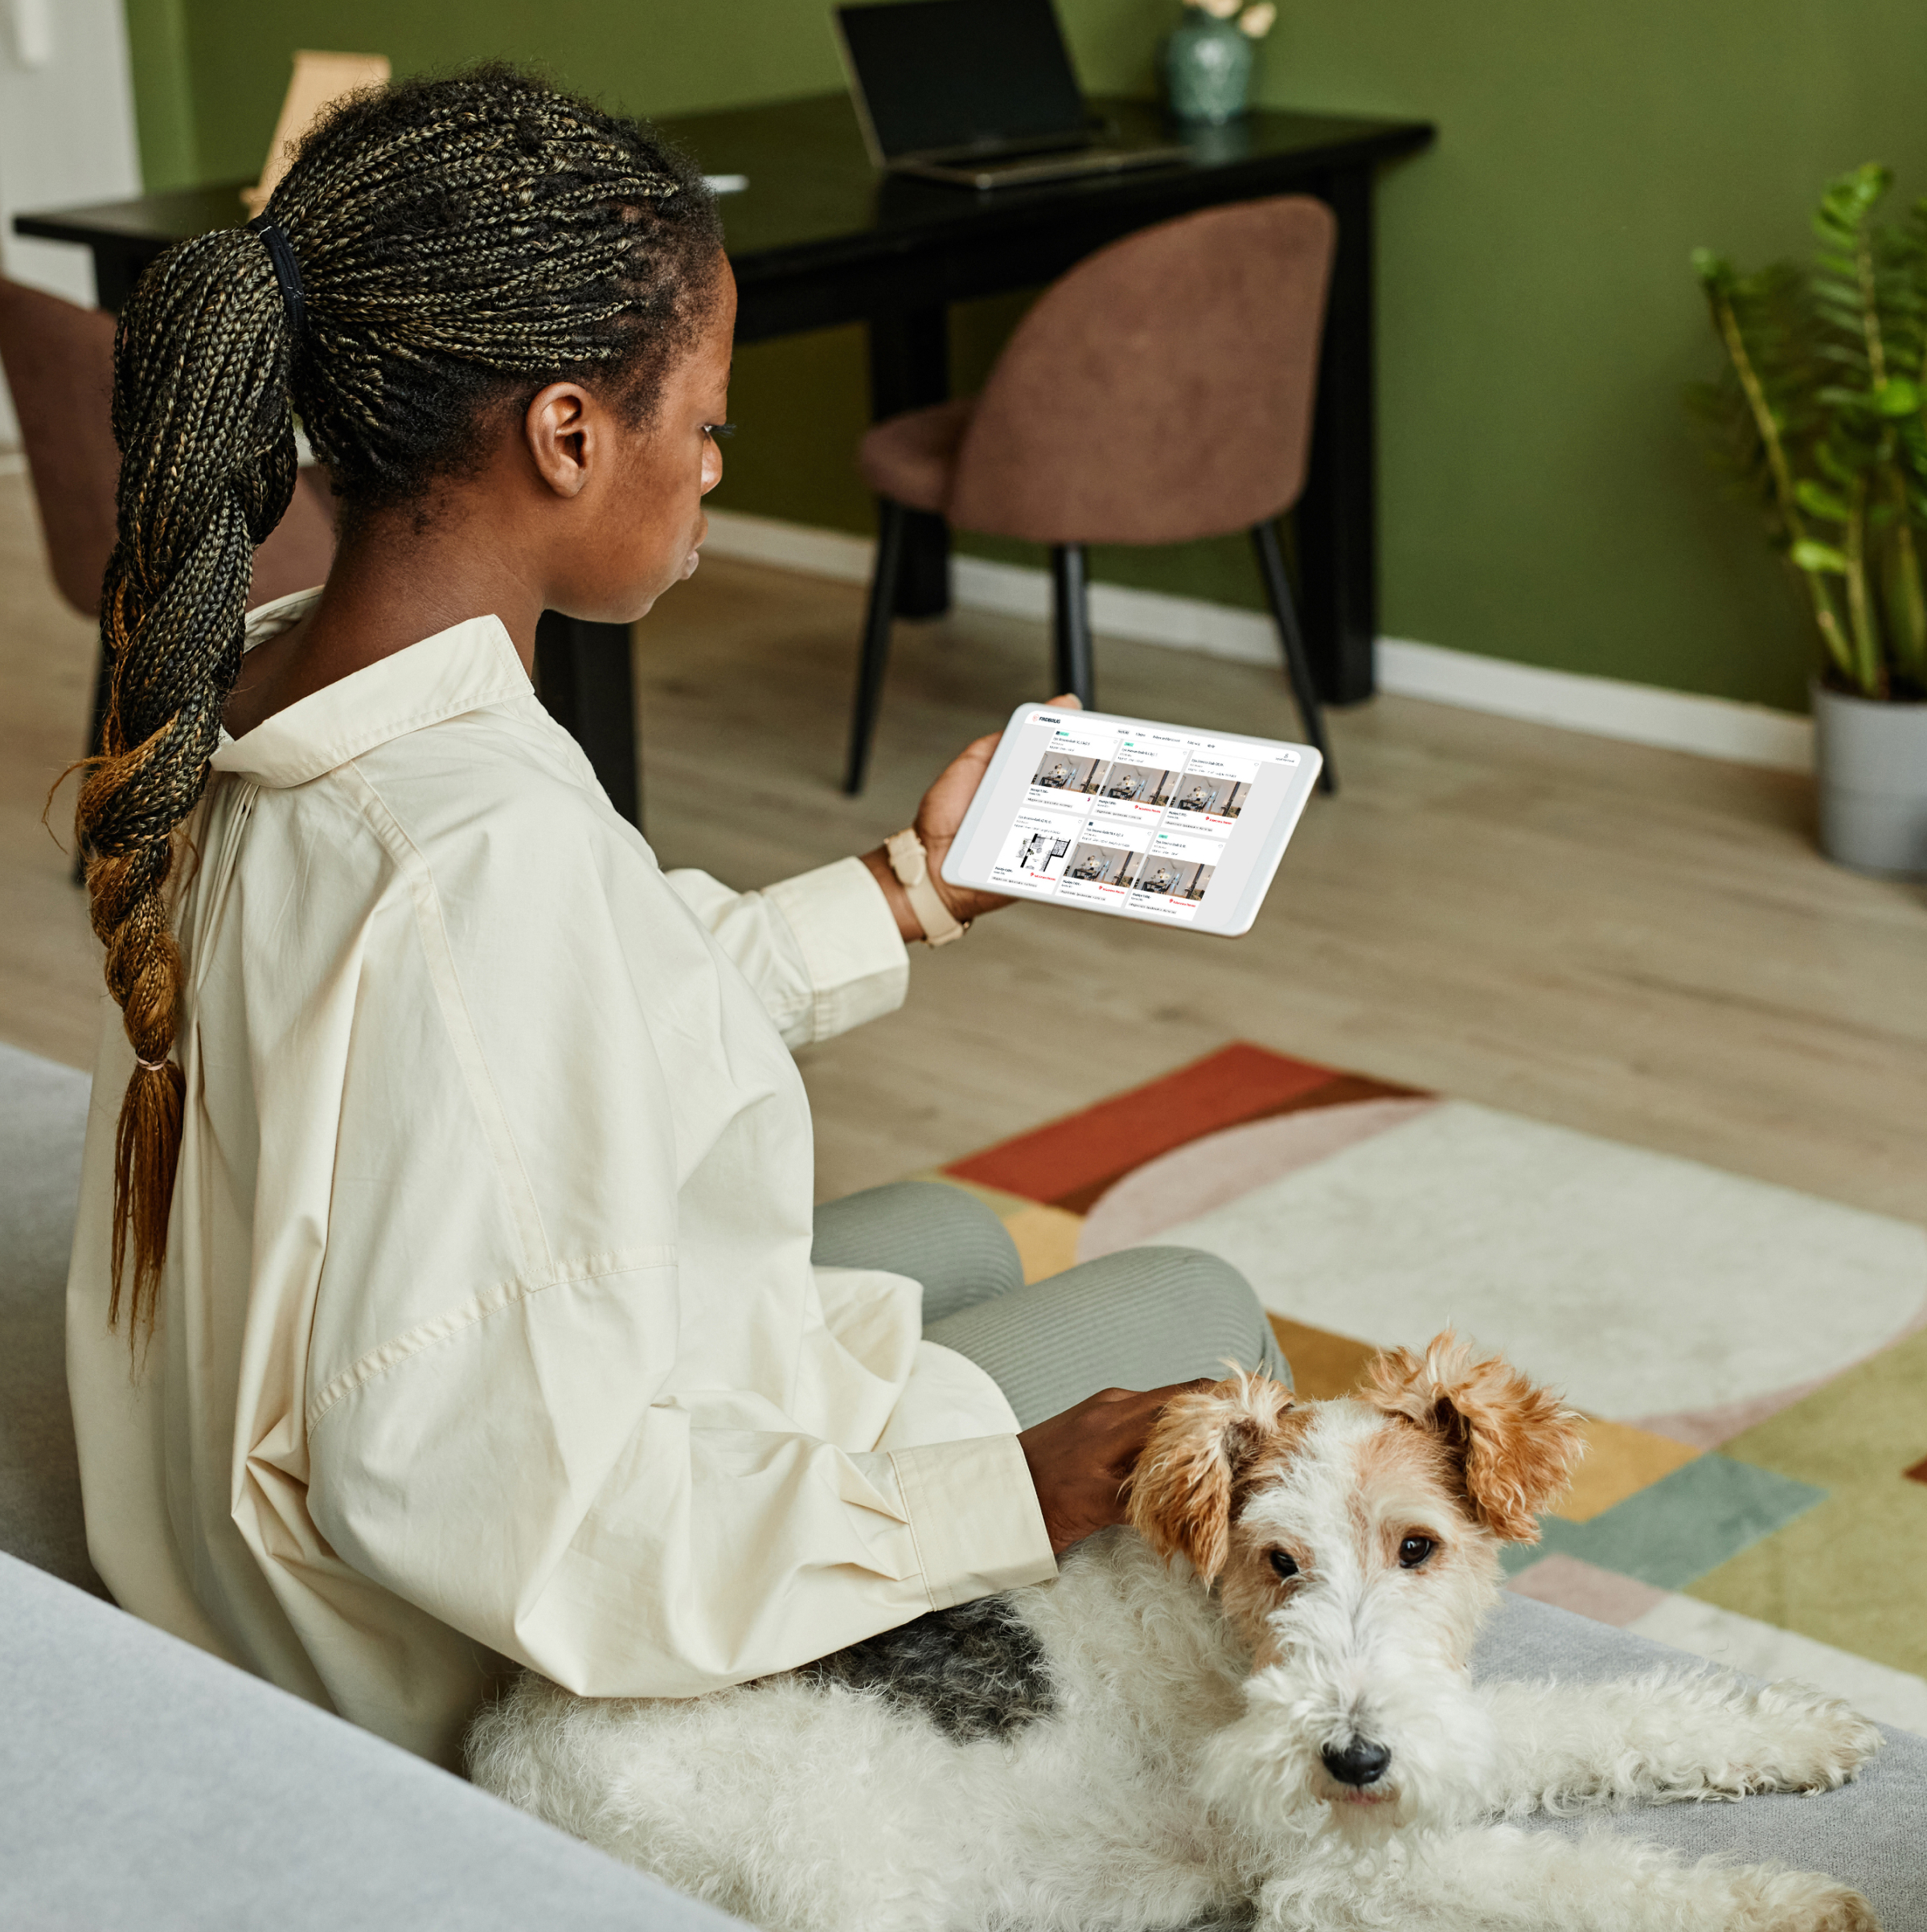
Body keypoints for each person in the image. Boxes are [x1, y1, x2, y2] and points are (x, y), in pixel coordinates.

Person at [64, 68, 1288, 1773]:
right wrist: (997, 1493)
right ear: (566, 432)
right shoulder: (478, 859)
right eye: (703, 420)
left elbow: (557, 1026)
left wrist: (905, 889)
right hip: (436, 1671)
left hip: (239, 1536)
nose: (715, 467)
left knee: (945, 1227)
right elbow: (518, 1506)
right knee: (1193, 1301)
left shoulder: (261, 676)